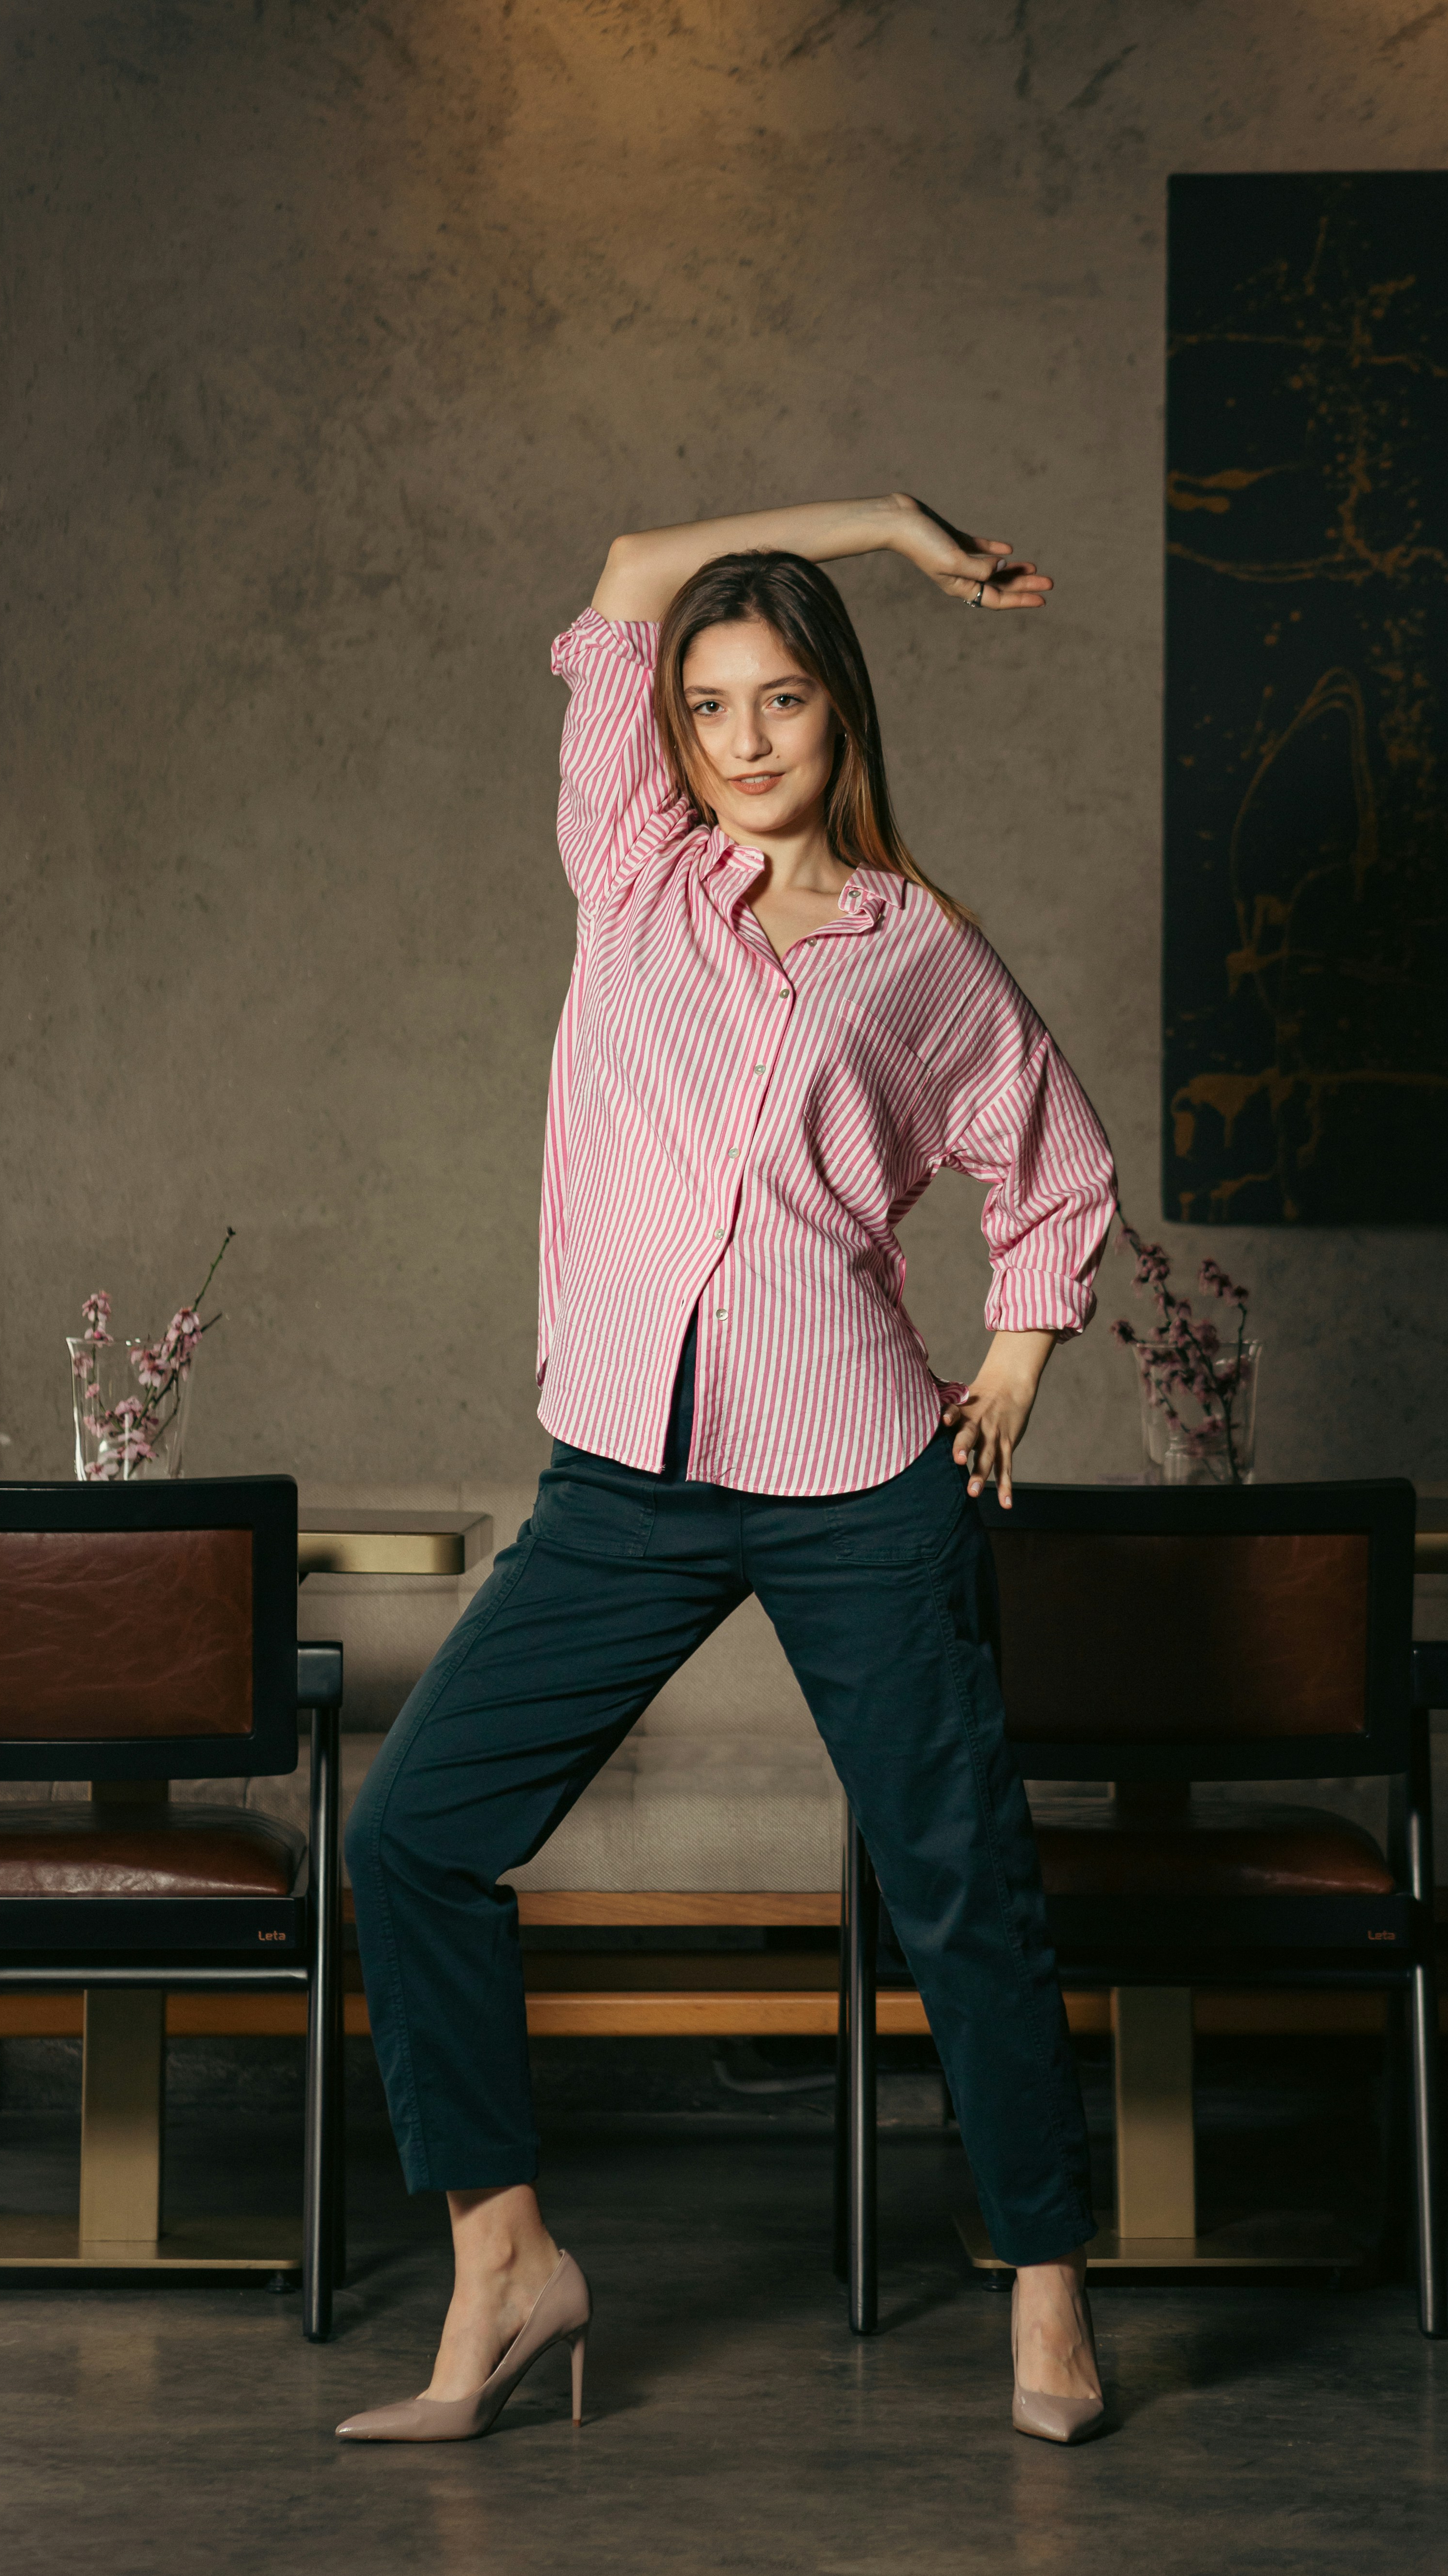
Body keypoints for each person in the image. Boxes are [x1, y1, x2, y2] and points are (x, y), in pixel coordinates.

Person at [336, 492, 1118, 2447]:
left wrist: (1019, 1347)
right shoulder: (627, 868)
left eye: (782, 698)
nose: (745, 735)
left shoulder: (916, 951)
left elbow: (1053, 1157)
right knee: (414, 1833)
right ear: (669, 732)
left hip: (859, 1465)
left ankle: (1045, 2288)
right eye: (709, 703)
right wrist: (880, 521)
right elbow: (613, 572)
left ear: (841, 718)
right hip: (627, 1463)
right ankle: (506, 2258)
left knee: (962, 1888)